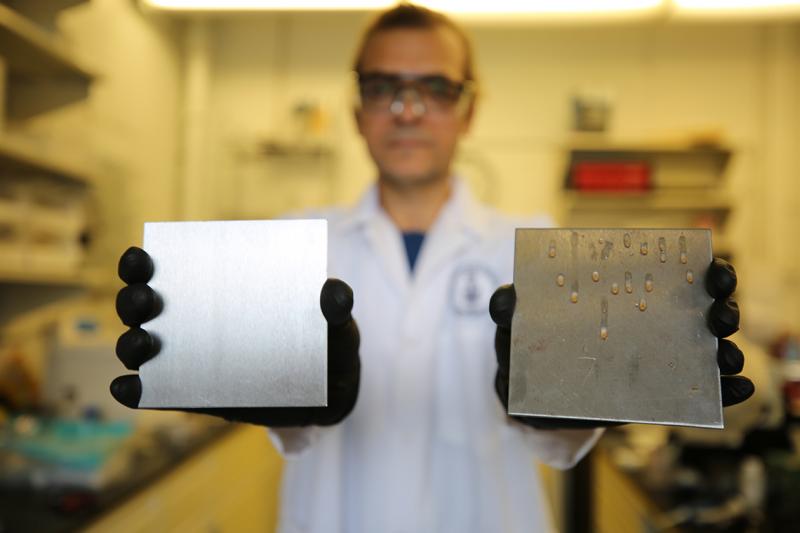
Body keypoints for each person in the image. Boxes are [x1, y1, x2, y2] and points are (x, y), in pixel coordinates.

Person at [111, 4, 754, 533]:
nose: (408, 110)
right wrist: (252, 378)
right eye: (384, 87)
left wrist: (595, 390)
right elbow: (284, 420)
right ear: (358, 109)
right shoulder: (287, 246)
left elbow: (556, 444)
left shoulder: (536, 249)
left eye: (435, 89)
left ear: (469, 109)